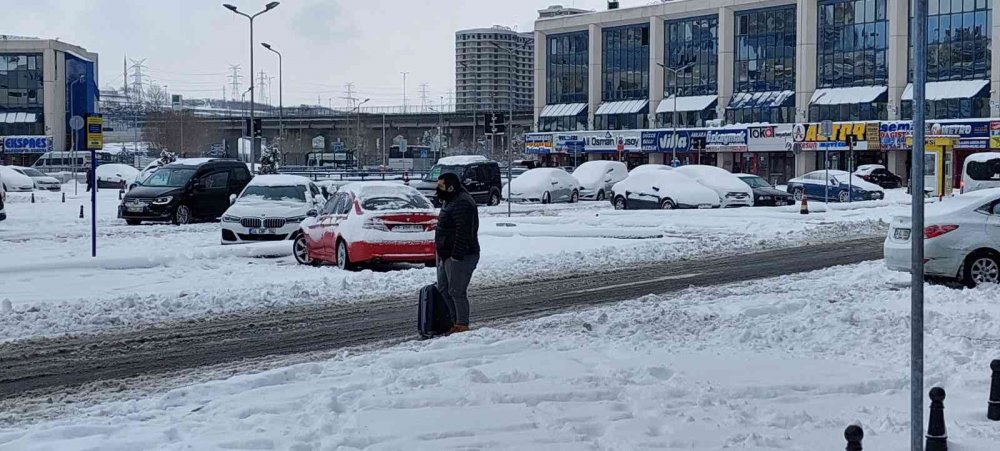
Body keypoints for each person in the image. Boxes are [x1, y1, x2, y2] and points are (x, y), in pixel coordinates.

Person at [434, 172, 480, 334]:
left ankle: (462, 324)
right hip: (446, 254)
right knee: (444, 288)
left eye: (440, 186)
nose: (437, 190)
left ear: (451, 187)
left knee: (456, 290)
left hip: (461, 255)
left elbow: (464, 232)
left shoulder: (462, 203)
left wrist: (456, 256)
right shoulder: (450, 200)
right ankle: (454, 322)